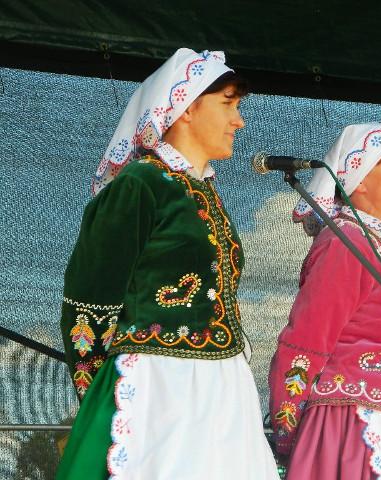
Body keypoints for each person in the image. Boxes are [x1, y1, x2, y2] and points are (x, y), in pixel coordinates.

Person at [57, 48, 279, 479]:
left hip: (222, 389)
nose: (239, 121)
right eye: (228, 104)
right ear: (186, 108)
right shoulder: (141, 183)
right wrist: (103, 397)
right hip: (159, 386)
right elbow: (89, 302)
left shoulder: (205, 192)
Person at [268, 120, 381, 479]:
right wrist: (288, 431)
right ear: (359, 180)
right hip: (354, 422)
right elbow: (305, 342)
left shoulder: (369, 242)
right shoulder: (346, 243)